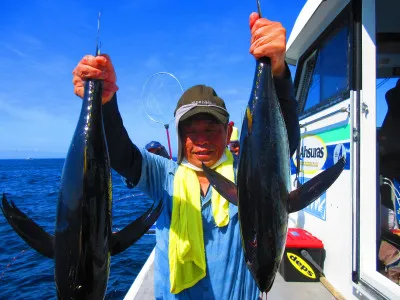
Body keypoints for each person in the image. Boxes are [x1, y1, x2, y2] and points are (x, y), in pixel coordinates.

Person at [72, 12, 300, 300]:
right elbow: (120, 154)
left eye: (211, 129)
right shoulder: (164, 175)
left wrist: (278, 74)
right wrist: (104, 102)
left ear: (229, 129)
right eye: (190, 131)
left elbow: (283, 142)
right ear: (179, 134)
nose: (201, 140)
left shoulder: (248, 175)